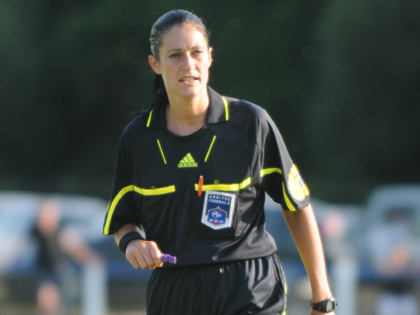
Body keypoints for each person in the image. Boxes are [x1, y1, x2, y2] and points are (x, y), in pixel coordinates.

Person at [103, 10, 336, 315]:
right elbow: (122, 219)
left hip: (249, 289)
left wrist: (323, 299)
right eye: (175, 55)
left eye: (196, 52)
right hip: (173, 292)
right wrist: (133, 243)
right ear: (155, 64)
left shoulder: (251, 123)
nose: (188, 64)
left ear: (209, 57)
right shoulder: (138, 139)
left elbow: (297, 207)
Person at [33, 199, 101, 315]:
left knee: (54, 303)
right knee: (46, 300)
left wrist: (90, 258)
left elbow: (75, 247)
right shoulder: (36, 231)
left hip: (59, 273)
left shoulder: (61, 232)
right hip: (44, 272)